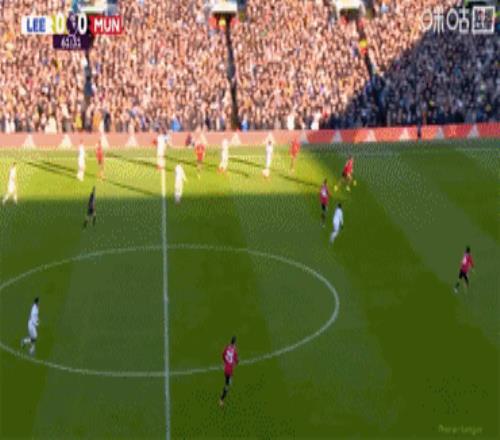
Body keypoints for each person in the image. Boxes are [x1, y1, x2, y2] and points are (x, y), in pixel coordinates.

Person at [219, 336, 239, 407]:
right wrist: (235, 362)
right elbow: (237, 361)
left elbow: (223, 355)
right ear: (235, 343)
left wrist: (225, 362)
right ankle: (221, 400)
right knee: (227, 386)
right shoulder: (234, 352)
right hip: (229, 371)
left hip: (226, 369)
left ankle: (229, 379)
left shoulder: (227, 348)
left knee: (228, 380)